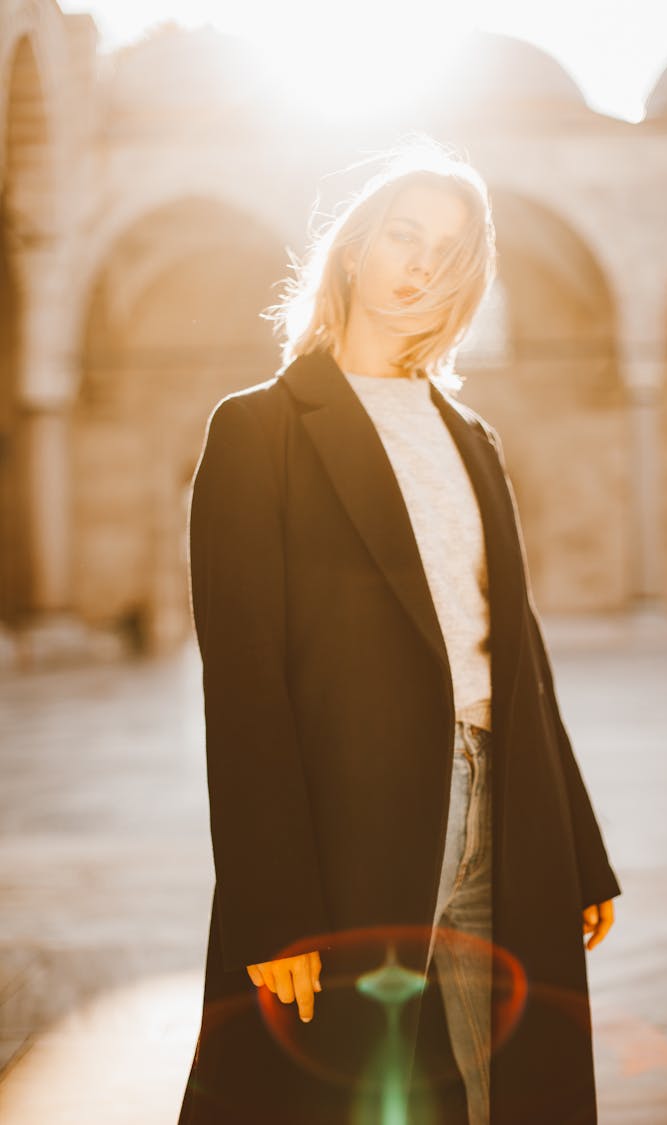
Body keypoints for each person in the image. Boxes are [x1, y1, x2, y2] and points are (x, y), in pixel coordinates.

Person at [177, 137, 621, 1125]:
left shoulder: (473, 437)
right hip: (355, 824)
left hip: (510, 806)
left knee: (502, 1087)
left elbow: (519, 650)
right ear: (352, 249)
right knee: (361, 1092)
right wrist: (275, 905)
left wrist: (578, 848)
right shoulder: (261, 430)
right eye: (403, 236)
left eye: (450, 251)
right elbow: (244, 686)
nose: (421, 264)